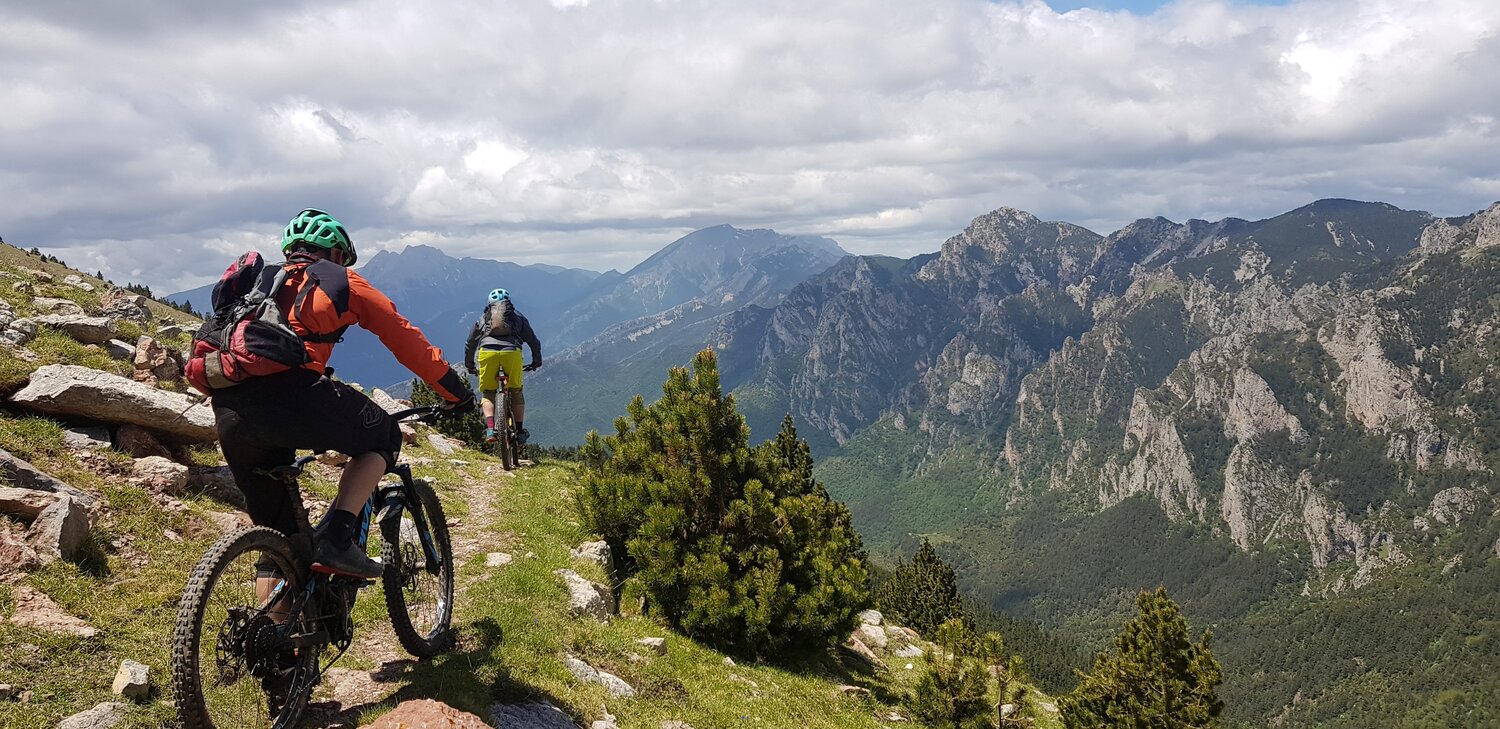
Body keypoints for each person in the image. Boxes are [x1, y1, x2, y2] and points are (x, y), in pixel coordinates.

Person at [210, 209, 474, 579]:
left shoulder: (258, 283)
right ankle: (337, 538)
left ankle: (271, 632)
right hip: (296, 397)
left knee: (281, 545)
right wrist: (455, 391)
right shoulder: (343, 282)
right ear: (335, 253)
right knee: (383, 436)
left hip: (230, 411)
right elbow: (404, 339)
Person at [463, 287, 542, 444]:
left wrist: (470, 365)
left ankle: (491, 429)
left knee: (488, 393)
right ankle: (519, 431)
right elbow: (533, 341)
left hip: (487, 353)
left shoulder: (483, 318)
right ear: (509, 303)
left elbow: (470, 343)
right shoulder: (518, 317)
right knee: (516, 391)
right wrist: (536, 361)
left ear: (490, 304)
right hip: (511, 353)